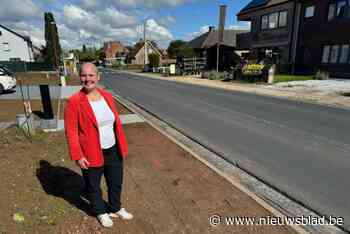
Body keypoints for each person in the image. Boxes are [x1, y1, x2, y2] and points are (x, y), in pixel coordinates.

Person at [64, 63, 133, 228]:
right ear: (79, 77)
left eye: (91, 75)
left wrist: (121, 144)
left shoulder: (107, 96)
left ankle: (115, 208)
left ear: (98, 76)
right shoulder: (74, 102)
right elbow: (71, 132)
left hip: (113, 148)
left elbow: (115, 122)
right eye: (83, 75)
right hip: (90, 152)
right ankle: (101, 211)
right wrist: (78, 155)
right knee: (93, 185)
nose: (87, 79)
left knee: (116, 182)